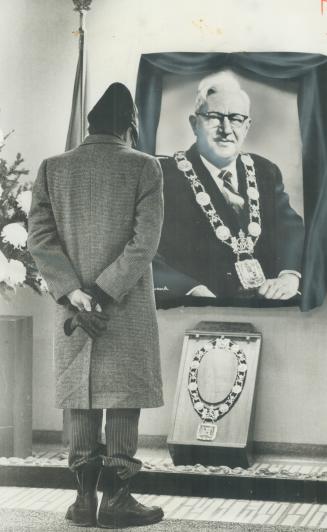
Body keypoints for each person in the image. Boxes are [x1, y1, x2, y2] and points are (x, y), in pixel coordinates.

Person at [27, 83, 164, 528]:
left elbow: (40, 240)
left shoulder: (52, 168)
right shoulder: (146, 168)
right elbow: (144, 244)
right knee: (123, 395)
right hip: (121, 304)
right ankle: (117, 501)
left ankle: (83, 501)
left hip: (73, 307)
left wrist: (73, 294)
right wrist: (103, 293)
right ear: (129, 125)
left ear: (88, 125)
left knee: (81, 395)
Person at [154, 72, 304, 303]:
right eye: (214, 117)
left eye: (235, 119)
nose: (226, 129)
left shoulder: (265, 171)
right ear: (194, 124)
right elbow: (144, 251)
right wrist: (189, 290)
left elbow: (290, 229)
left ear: (247, 126)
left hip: (267, 307)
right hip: (195, 308)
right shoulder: (163, 176)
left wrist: (289, 276)